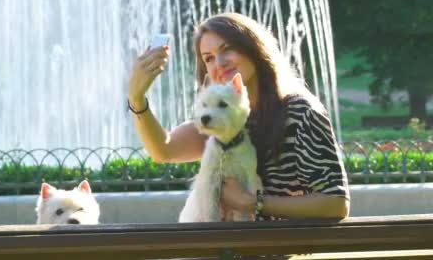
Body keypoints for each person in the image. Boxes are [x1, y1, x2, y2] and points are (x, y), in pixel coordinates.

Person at [127, 12, 350, 221]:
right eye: (209, 58)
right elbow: (163, 150)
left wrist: (253, 203)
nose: (219, 63)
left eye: (227, 49)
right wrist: (137, 98)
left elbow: (337, 203)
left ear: (254, 48)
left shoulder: (300, 112)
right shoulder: (222, 121)